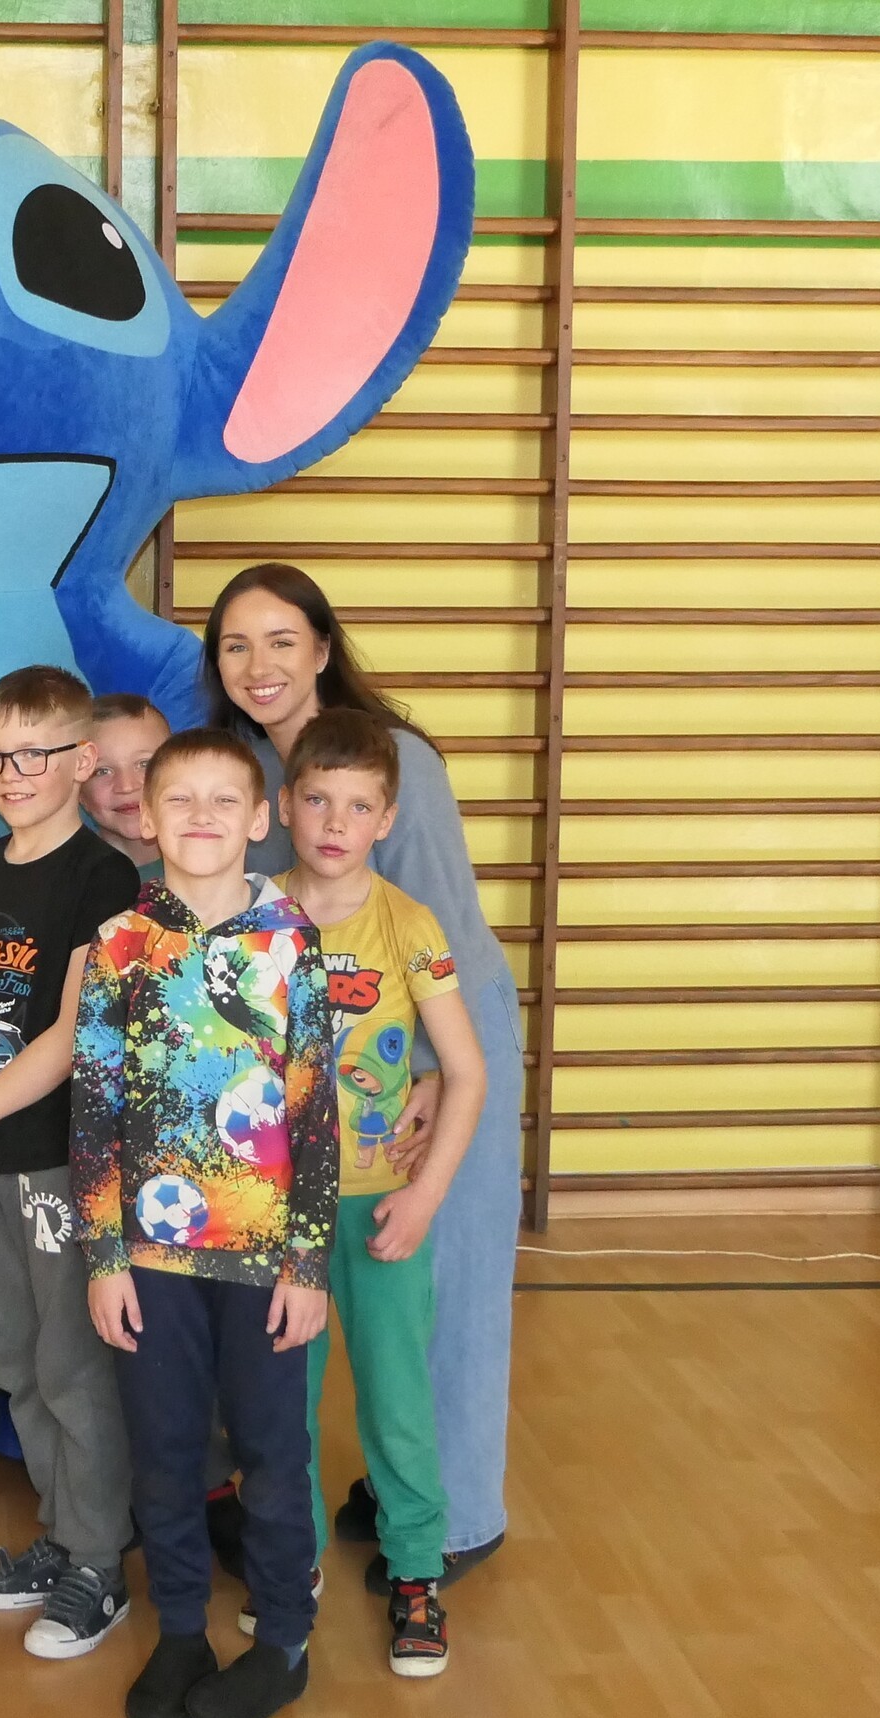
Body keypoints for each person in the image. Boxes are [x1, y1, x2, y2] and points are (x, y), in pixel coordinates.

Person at [205, 561, 523, 1590]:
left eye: (280, 641)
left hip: (438, 1041)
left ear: (322, 650)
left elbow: (442, 925)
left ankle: (458, 1517)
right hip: (328, 1059)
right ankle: (387, 1492)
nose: (258, 664)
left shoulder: (399, 761)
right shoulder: (256, 766)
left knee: (441, 1281)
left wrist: (430, 1070)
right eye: (236, 645)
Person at [73, 726, 337, 1718]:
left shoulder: (292, 942)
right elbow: (93, 1110)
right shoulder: (118, 943)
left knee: (271, 1451)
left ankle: (282, 1643)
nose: (200, 817)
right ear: (146, 817)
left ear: (260, 819)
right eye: (178, 799)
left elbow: (314, 1115)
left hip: (266, 1259)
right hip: (149, 1256)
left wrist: (307, 1263)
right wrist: (103, 1257)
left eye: (224, 799)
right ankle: (180, 1629)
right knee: (165, 1449)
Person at [0, 664, 139, 1660]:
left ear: (82, 761)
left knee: (70, 1362)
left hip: (57, 1160)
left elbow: (71, 1038)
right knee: (11, 1355)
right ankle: (64, 1532)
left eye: (31, 754)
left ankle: (100, 1560)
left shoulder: (102, 877)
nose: (8, 774)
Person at [272, 709, 488, 1678]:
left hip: (380, 1206)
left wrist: (425, 1196)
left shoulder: (408, 924)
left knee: (396, 1398)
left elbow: (466, 1071)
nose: (334, 821)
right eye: (318, 799)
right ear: (285, 804)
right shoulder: (252, 915)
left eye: (358, 806)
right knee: (280, 1404)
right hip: (276, 1216)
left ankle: (414, 1572)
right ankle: (294, 1566)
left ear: (386, 819)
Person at [80, 693, 170, 874]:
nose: (126, 786)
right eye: (102, 771)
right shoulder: (68, 881)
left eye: (145, 764)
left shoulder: (217, 865)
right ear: (79, 793)